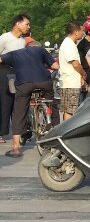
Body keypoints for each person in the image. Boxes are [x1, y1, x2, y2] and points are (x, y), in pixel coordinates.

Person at [0, 38, 58, 158]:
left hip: (24, 84)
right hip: (44, 82)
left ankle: (16, 149)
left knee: (19, 113)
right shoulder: (40, 50)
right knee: (52, 105)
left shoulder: (15, 53)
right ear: (36, 46)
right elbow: (55, 65)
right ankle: (56, 133)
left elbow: (1, 59)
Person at [0, 13, 31, 143]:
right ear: (17, 24)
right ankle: (1, 132)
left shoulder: (23, 41)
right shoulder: (4, 38)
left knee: (19, 103)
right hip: (4, 72)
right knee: (4, 103)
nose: (28, 27)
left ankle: (21, 132)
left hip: (19, 73)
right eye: (26, 24)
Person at [58, 21, 87, 120]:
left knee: (69, 110)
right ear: (76, 32)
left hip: (70, 82)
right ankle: (67, 134)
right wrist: (83, 74)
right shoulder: (68, 44)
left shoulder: (70, 43)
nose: (82, 33)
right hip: (70, 83)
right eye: (81, 31)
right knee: (71, 111)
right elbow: (75, 64)